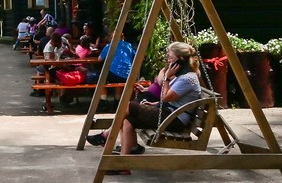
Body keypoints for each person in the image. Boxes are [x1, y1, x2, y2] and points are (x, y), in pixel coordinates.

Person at [87, 42, 203, 173]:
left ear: (181, 59)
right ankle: (123, 165)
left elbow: (166, 98)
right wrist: (154, 104)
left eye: (170, 57)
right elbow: (172, 101)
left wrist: (165, 78)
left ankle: (106, 135)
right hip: (169, 113)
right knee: (128, 120)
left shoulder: (188, 79)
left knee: (128, 106)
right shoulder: (182, 76)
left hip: (175, 120)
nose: (168, 60)